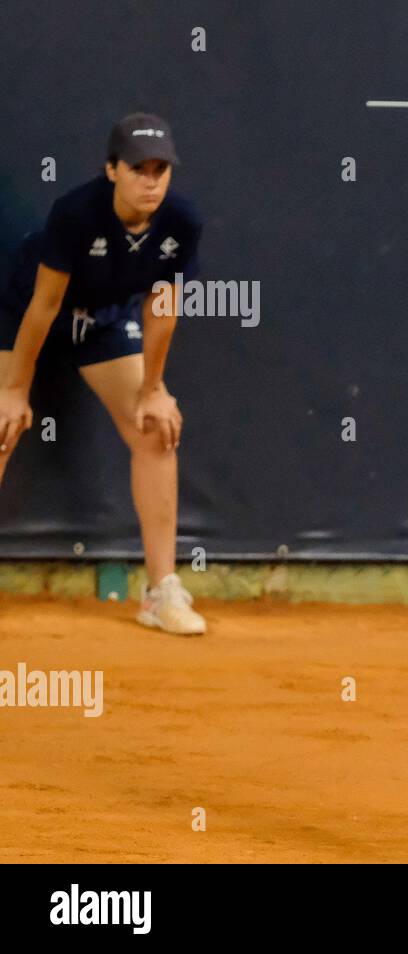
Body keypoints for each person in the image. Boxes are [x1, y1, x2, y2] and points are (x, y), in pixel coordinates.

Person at [0, 113, 206, 635]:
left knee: (155, 429)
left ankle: (160, 592)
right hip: (27, 312)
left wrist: (153, 389)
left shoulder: (180, 222)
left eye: (161, 169)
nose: (151, 179)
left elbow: (162, 307)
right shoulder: (75, 213)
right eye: (139, 168)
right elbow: (44, 307)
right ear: (111, 170)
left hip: (104, 321)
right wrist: (14, 391)